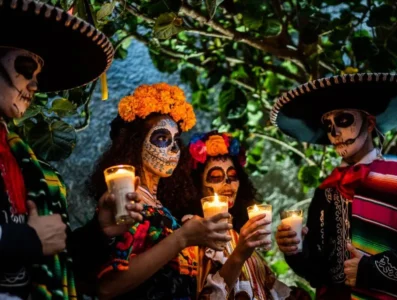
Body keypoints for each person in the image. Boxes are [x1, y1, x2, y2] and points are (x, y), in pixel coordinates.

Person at [0, 0, 114, 298]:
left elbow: (54, 250)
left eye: (38, 77)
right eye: (26, 70)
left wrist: (98, 229)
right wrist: (24, 240)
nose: (34, 86)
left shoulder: (23, 159)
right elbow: (34, 239)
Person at [90, 83, 232, 299]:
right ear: (135, 144)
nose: (175, 149)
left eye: (176, 140)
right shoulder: (126, 202)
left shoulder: (161, 208)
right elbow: (107, 287)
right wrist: (182, 238)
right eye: (163, 138)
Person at [272, 73, 397, 299]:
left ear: (369, 123)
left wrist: (374, 270)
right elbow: (318, 271)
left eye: (343, 120)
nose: (335, 133)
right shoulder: (327, 189)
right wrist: (294, 249)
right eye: (328, 125)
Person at [187, 131, 309, 300]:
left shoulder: (239, 235)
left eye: (232, 176)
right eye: (215, 177)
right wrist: (239, 254)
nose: (227, 183)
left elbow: (262, 287)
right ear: (196, 185)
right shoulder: (191, 233)